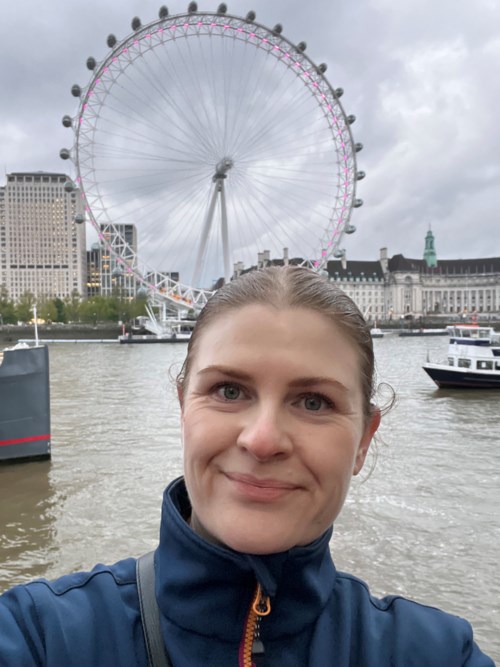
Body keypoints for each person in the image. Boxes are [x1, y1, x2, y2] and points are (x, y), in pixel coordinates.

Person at [0, 266, 494, 666]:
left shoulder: (436, 654)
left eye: (314, 402)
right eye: (229, 391)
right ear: (183, 409)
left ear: (364, 440)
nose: (262, 440)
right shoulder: (37, 636)